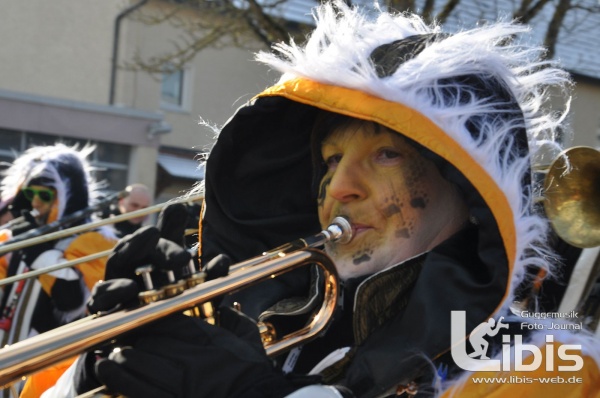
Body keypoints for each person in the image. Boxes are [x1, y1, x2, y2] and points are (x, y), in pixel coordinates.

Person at [42, 2, 600, 397]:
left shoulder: (541, 366)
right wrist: (102, 370)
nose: (338, 188)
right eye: (331, 161)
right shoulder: (274, 334)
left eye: (386, 155)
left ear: (470, 189)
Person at [0, 144, 118, 396]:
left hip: (48, 367)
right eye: (29, 193)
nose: (34, 202)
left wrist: (38, 251)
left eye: (43, 195)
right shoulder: (12, 237)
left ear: (67, 196)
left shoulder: (92, 243)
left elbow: (71, 299)